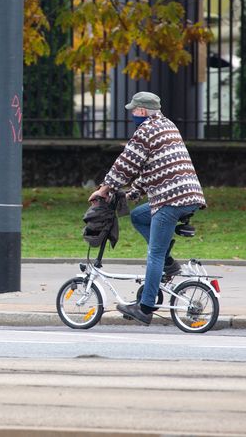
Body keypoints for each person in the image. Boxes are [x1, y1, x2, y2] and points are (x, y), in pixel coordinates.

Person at [89, 91, 206, 325]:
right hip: (188, 195)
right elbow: (153, 167)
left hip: (171, 200)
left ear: (142, 111)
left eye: (134, 110)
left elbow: (126, 163)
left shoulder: (146, 131)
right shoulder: (167, 125)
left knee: (154, 254)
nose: (132, 114)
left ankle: (145, 307)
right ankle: (169, 265)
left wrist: (104, 189)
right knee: (139, 216)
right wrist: (132, 194)